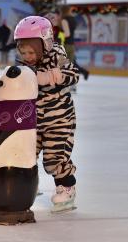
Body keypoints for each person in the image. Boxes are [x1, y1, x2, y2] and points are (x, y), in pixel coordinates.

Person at [14, 16, 79, 213]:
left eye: (32, 52)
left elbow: (73, 74)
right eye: (23, 52)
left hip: (58, 119)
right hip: (33, 119)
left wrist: (49, 76)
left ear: (45, 44)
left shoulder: (57, 56)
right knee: (26, 154)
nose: (28, 56)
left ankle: (67, 188)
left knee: (54, 158)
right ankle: (29, 186)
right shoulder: (25, 64)